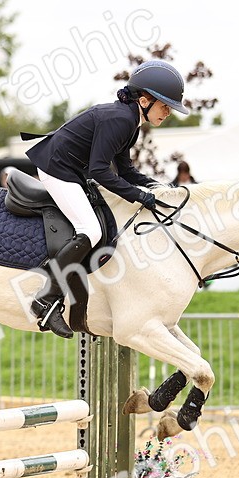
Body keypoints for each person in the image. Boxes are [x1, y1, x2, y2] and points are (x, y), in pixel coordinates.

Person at [23, 59, 187, 338]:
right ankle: (46, 299)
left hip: (71, 169)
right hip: (56, 168)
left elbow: (125, 170)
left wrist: (154, 187)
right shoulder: (122, 119)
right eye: (165, 106)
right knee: (90, 229)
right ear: (145, 99)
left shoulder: (131, 121)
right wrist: (139, 196)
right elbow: (100, 170)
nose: (168, 112)